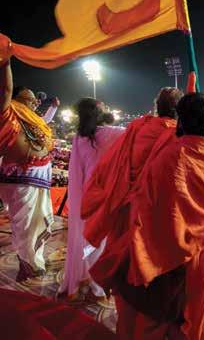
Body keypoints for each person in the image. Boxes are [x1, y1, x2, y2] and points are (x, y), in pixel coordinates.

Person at [91, 92, 204, 340]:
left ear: (182, 120)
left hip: (166, 245)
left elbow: (149, 204)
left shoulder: (170, 154)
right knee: (196, 301)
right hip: (203, 242)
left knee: (157, 311)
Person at [81, 87, 183, 250]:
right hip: (155, 209)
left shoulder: (139, 126)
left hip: (126, 203)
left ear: (157, 106)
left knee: (122, 252)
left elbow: (112, 161)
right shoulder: (177, 134)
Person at [57, 98, 125, 301]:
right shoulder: (113, 133)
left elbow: (76, 169)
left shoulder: (80, 137)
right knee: (100, 240)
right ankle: (96, 284)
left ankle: (85, 278)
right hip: (104, 194)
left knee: (87, 237)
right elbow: (138, 134)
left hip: (86, 193)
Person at [0, 58, 54, 281]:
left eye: (34, 100)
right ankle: (27, 265)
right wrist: (5, 62)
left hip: (38, 177)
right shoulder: (8, 111)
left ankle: (33, 260)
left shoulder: (33, 119)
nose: (34, 103)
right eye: (29, 99)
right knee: (25, 226)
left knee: (38, 223)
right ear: (16, 99)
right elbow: (6, 88)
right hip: (19, 178)